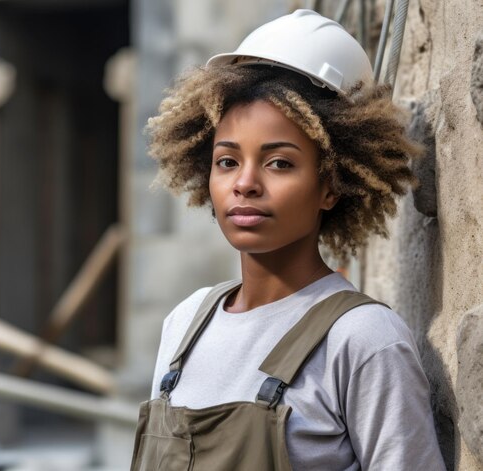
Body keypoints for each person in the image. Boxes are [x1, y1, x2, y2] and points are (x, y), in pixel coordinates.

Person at [130, 9, 446, 471]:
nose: (245, 184)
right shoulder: (184, 326)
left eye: (279, 163)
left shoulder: (363, 341)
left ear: (331, 185)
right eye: (227, 161)